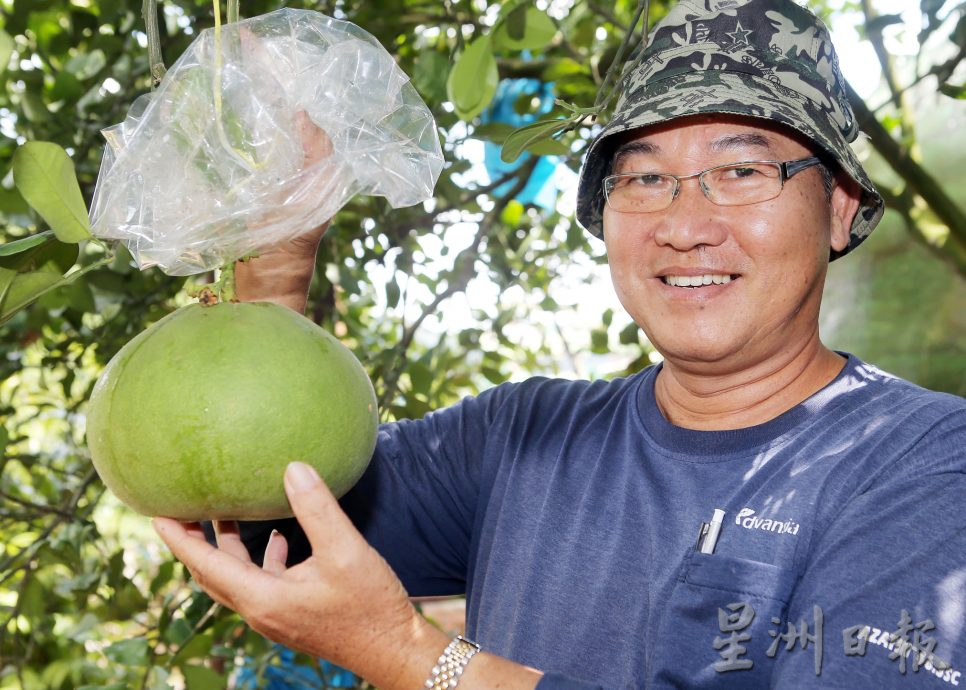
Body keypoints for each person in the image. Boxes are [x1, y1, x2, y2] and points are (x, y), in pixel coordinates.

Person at [153, 1, 966, 688]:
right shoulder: (521, 435)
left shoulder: (925, 464)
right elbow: (269, 522)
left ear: (837, 206)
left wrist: (408, 654)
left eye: (744, 171)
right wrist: (277, 273)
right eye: (645, 179)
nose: (684, 227)